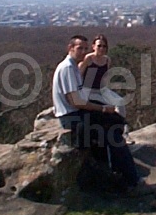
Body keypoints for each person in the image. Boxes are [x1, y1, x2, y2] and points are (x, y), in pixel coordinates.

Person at [52, 34, 143, 194]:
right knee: (111, 133)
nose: (83, 52)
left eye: (85, 49)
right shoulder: (67, 68)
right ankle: (130, 179)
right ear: (70, 48)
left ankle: (115, 172)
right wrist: (101, 109)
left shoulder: (73, 66)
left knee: (114, 121)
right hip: (71, 116)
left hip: (77, 112)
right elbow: (75, 101)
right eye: (80, 48)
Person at [78, 34, 131, 142]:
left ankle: (123, 131)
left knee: (120, 102)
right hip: (88, 90)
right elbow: (78, 74)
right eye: (99, 46)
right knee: (107, 106)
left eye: (104, 46)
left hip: (101, 89)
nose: (101, 48)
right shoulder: (88, 59)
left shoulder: (107, 60)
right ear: (93, 46)